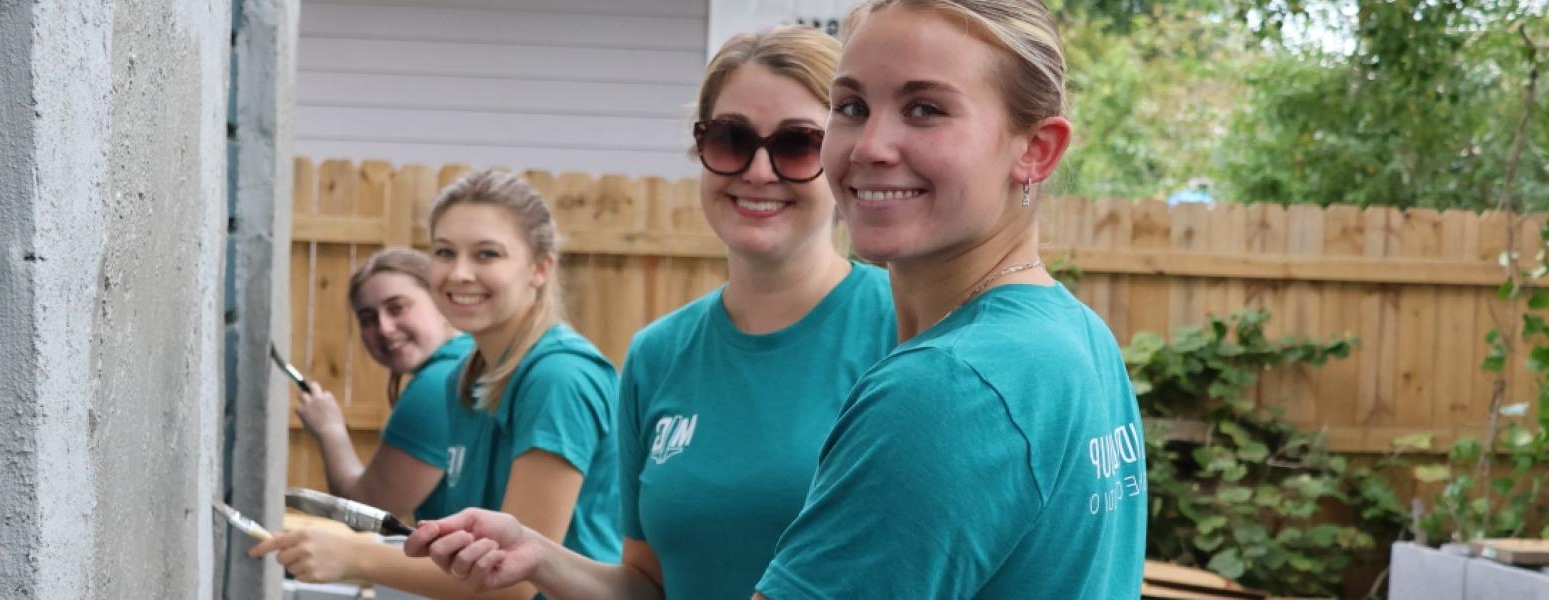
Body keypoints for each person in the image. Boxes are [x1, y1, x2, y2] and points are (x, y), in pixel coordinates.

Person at [412, 1, 1150, 597]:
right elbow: (653, 584)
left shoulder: (944, 386)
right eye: (854, 107)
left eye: (926, 110)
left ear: (1037, 150)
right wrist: (542, 557)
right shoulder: (1075, 336)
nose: (869, 146)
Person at [397, 25, 902, 600]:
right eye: (731, 140)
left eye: (797, 144)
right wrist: (535, 555)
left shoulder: (907, 329)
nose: (759, 172)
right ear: (701, 150)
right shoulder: (658, 354)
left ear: (842, 156)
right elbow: (647, 585)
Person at [255, 169, 621, 600]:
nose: (459, 273)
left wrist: (357, 557)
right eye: (444, 252)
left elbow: (513, 580)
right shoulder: (465, 378)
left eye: (487, 254)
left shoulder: (559, 379)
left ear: (539, 268)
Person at [292, 247, 471, 520]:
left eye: (397, 307)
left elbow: (368, 514)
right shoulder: (470, 360)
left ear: (443, 302)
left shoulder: (437, 386)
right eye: (368, 319)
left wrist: (330, 431)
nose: (384, 328)